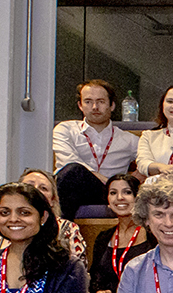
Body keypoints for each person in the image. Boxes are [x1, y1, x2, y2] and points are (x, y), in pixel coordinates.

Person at [82, 172, 150, 293]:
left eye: (127, 192)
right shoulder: (104, 237)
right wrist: (97, 292)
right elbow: (95, 276)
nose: (119, 198)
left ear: (138, 197)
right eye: (113, 193)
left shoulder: (152, 233)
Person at [50, 80, 132, 221]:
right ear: (80, 105)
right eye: (88, 102)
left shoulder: (129, 140)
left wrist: (130, 181)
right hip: (69, 188)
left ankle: (60, 232)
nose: (94, 107)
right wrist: (106, 179)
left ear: (112, 105)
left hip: (106, 193)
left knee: (73, 171)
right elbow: (68, 161)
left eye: (100, 101)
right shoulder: (65, 130)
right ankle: (62, 229)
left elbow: (146, 162)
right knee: (72, 171)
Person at [0, 169, 90, 259]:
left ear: (53, 200)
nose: (36, 191)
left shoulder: (67, 228)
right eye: (29, 186)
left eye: (43, 188)